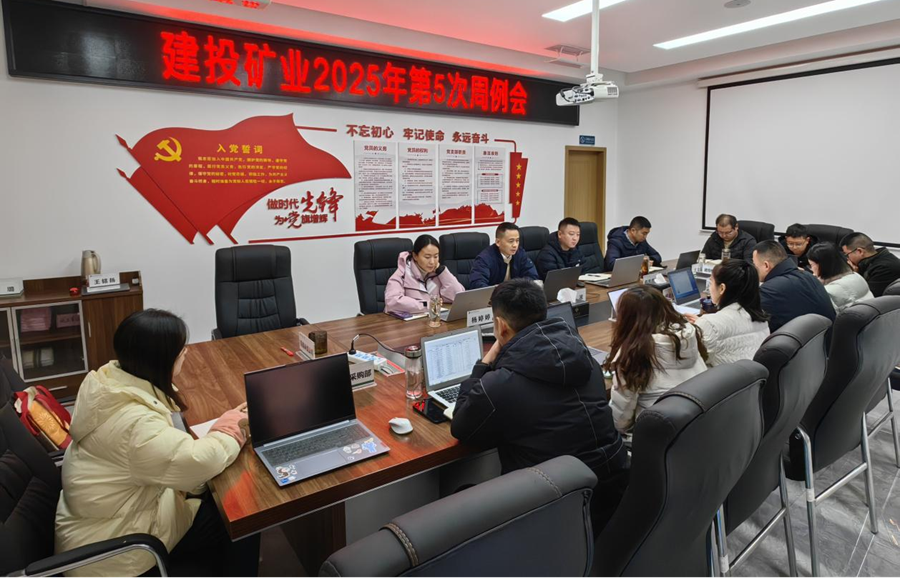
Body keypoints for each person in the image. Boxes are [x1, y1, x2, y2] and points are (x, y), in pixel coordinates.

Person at [55, 310, 258, 578]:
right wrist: (232, 427)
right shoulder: (135, 426)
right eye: (182, 350)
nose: (186, 353)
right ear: (163, 360)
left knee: (216, 494)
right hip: (119, 556)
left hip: (107, 523)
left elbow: (170, 460)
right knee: (243, 517)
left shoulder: (108, 384)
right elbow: (198, 463)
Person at [451, 279, 627, 534]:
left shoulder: (500, 384)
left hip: (547, 512)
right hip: (611, 497)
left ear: (500, 325)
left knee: (460, 493)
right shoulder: (586, 359)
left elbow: (461, 427)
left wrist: (484, 364)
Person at [603, 286, 707, 441]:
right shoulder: (688, 336)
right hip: (699, 426)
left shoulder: (634, 353)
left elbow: (620, 422)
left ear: (627, 320)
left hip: (659, 437)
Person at [683, 260, 770, 367]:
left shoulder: (710, 324)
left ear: (722, 288)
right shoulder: (760, 315)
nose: (709, 288)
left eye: (711, 282)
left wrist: (699, 326)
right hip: (750, 375)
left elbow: (687, 358)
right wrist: (702, 325)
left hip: (718, 376)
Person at [752, 240, 836, 333]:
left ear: (766, 265)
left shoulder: (769, 291)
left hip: (806, 340)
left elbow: (756, 327)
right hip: (827, 338)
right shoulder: (808, 276)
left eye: (755, 265)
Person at [384, 234, 465, 315]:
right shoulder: (402, 274)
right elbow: (392, 302)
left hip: (433, 319)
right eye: (427, 257)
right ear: (415, 256)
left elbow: (459, 297)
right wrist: (426, 305)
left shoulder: (438, 274)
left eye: (436, 256)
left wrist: (443, 272)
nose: (432, 262)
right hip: (408, 322)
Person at [807, 242, 873, 313]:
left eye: (811, 265)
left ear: (822, 266)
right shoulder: (856, 276)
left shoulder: (829, 292)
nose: (811, 269)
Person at [469, 222, 538, 288]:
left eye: (517, 240)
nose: (515, 245)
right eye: (511, 241)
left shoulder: (520, 253)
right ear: (498, 242)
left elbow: (532, 276)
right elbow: (478, 285)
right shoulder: (485, 258)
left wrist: (517, 288)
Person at [536, 217, 602, 279]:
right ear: (560, 234)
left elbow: (585, 270)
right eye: (571, 234)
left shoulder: (575, 250)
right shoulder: (547, 255)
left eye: (578, 234)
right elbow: (553, 280)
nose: (575, 238)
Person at [841, 232, 900, 297]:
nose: (847, 258)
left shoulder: (884, 268)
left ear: (860, 251)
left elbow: (867, 296)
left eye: (847, 254)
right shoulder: (873, 260)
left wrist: (855, 275)